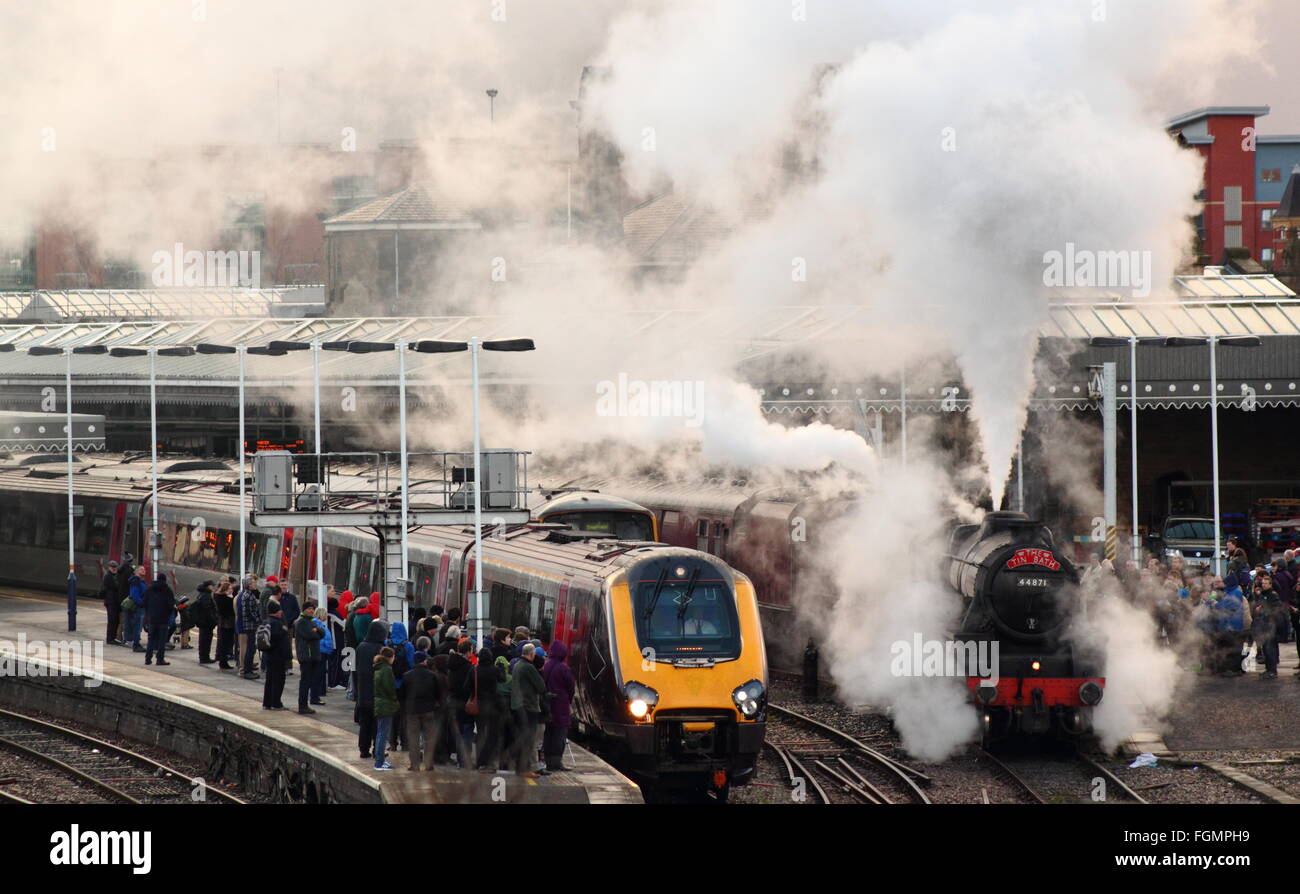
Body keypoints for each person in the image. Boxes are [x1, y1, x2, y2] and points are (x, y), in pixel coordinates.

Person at [402, 652, 446, 771]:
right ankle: (428, 763)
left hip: (412, 711)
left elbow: (402, 694)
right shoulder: (432, 675)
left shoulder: (407, 675)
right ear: (424, 661)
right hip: (428, 710)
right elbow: (438, 693)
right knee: (429, 738)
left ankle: (414, 764)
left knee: (413, 738)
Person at [510, 643, 547, 778]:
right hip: (528, 708)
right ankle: (524, 769)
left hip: (517, 706)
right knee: (528, 739)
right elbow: (541, 686)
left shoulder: (517, 665)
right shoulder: (528, 667)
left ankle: (520, 768)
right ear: (532, 654)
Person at [355, 619, 389, 760]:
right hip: (378, 693)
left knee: (365, 724)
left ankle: (363, 750)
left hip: (363, 691)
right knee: (378, 725)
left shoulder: (361, 646)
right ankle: (377, 750)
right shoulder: (380, 649)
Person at [541, 639, 575, 772]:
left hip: (547, 704)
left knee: (548, 733)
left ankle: (547, 760)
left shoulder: (546, 665)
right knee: (559, 735)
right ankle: (556, 763)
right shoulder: (564, 668)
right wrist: (568, 701)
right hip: (560, 705)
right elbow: (571, 687)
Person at [472, 646, 505, 772]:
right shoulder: (494, 670)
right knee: (492, 734)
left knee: (480, 733)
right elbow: (502, 679)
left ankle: (478, 760)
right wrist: (501, 668)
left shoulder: (475, 670)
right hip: (493, 706)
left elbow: (467, 685)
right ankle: (487, 761)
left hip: (479, 705)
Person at [293, 599, 324, 714]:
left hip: (313, 655)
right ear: (304, 610)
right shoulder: (301, 622)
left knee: (310, 680)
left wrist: (317, 630)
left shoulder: (311, 621)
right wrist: (316, 632)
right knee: (305, 681)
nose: (311, 611)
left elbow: (322, 633)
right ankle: (302, 705)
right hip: (307, 656)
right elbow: (310, 635)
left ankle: (305, 704)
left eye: (312, 609)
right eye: (309, 609)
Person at [448, 638, 475, 767]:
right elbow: (468, 686)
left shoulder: (451, 665)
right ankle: (464, 760)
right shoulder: (468, 667)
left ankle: (460, 759)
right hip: (465, 703)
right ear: (468, 651)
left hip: (453, 702)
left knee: (458, 732)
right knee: (467, 732)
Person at [1251, 572, 1283, 679]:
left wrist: (1263, 610)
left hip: (1271, 626)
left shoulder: (1273, 595)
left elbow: (1276, 610)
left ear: (1270, 584)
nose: (1263, 585)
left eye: (1265, 583)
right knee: (1266, 649)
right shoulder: (1262, 595)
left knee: (1270, 649)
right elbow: (1257, 607)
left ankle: (1272, 671)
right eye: (1262, 583)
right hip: (1263, 626)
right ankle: (1268, 669)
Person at [372, 647, 399, 771]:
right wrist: (395, 700)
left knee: (380, 733)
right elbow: (390, 688)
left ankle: (381, 760)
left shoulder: (378, 668)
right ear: (390, 657)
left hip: (379, 702)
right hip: (385, 704)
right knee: (382, 734)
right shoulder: (387, 670)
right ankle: (379, 763)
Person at [262, 599, 291, 709]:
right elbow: (277, 637)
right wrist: (283, 630)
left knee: (269, 680)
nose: (281, 612)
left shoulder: (266, 621)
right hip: (277, 656)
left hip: (269, 655)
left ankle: (267, 702)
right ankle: (276, 703)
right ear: (276, 612)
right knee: (278, 680)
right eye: (279, 611)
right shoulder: (276, 623)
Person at [141, 573, 174, 666]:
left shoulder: (150, 589)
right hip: (163, 619)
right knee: (161, 640)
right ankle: (160, 659)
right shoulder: (167, 590)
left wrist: (149, 613)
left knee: (151, 639)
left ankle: (148, 658)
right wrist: (168, 613)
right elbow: (171, 605)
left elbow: (144, 602)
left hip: (152, 618)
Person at [236, 575, 263, 679]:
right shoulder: (247, 596)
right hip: (249, 626)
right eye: (253, 583)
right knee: (249, 648)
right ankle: (247, 671)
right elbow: (247, 612)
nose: (255, 584)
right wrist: (257, 620)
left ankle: (248, 669)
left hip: (249, 625)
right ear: (248, 585)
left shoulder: (247, 594)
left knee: (250, 648)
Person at [191, 580, 219, 664]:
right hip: (206, 622)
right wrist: (214, 620)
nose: (213, 587)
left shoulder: (201, 594)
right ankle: (204, 658)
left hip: (203, 622)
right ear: (208, 586)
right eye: (212, 586)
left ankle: (204, 657)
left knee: (203, 640)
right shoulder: (206, 596)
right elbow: (208, 610)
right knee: (205, 640)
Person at [310, 606, 333, 705]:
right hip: (322, 651)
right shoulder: (319, 625)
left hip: (322, 651)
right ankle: (315, 695)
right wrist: (328, 647)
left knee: (318, 673)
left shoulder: (317, 624)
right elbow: (324, 638)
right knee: (318, 674)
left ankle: (316, 694)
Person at [214, 578, 237, 669]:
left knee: (223, 642)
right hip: (227, 623)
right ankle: (223, 661)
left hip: (223, 623)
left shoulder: (219, 597)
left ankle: (222, 659)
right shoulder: (225, 599)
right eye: (230, 589)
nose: (231, 590)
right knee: (225, 642)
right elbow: (229, 611)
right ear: (225, 590)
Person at [100, 559, 123, 645]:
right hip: (111, 601)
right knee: (112, 620)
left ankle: (113, 638)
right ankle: (110, 638)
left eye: (115, 567)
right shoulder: (108, 576)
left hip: (115, 601)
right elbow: (114, 587)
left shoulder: (115, 575)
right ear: (109, 567)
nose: (114, 568)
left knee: (115, 620)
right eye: (112, 567)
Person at [125, 566, 147, 652]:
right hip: (138, 608)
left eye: (144, 569)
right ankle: (136, 644)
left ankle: (136, 642)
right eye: (142, 569)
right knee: (137, 626)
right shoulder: (136, 581)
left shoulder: (140, 581)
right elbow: (134, 595)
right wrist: (142, 603)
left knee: (138, 626)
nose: (144, 571)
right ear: (136, 572)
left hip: (140, 607)